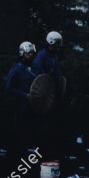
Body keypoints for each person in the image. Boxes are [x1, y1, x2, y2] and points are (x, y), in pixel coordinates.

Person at [32, 31, 64, 159]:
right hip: (44, 93)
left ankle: (50, 150)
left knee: (51, 123)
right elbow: (38, 74)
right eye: (57, 43)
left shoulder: (53, 55)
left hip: (52, 93)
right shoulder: (42, 56)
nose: (59, 45)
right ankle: (42, 151)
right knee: (44, 124)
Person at [6, 42, 37, 159]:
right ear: (22, 54)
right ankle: (17, 157)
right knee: (19, 132)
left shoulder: (36, 69)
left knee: (30, 131)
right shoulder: (16, 69)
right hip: (20, 105)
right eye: (29, 54)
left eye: (32, 54)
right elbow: (9, 87)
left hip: (34, 105)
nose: (31, 56)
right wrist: (24, 95)